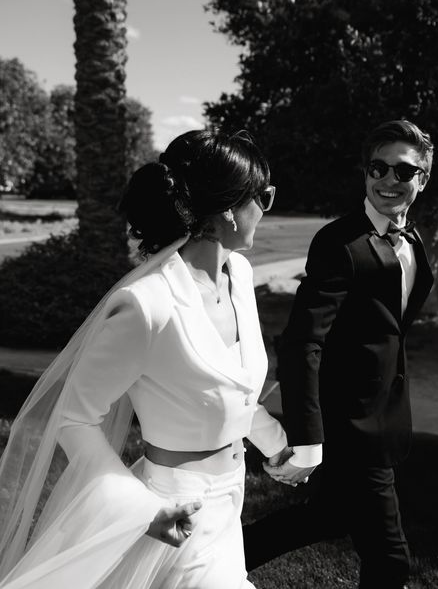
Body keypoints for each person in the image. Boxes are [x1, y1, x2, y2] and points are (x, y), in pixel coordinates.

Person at [0, 129, 288, 588]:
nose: (267, 208)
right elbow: (73, 418)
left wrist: (276, 445)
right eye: (266, 197)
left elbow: (227, 389)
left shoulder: (240, 274)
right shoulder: (147, 305)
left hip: (229, 504)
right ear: (230, 209)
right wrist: (141, 511)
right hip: (180, 511)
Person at [243, 120, 435, 589]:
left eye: (403, 171)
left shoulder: (413, 240)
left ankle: (205, 559)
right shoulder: (339, 243)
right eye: (378, 167)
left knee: (323, 520)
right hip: (349, 427)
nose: (389, 179)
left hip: (382, 415)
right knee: (390, 561)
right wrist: (308, 440)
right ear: (365, 173)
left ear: (422, 179)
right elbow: (303, 341)